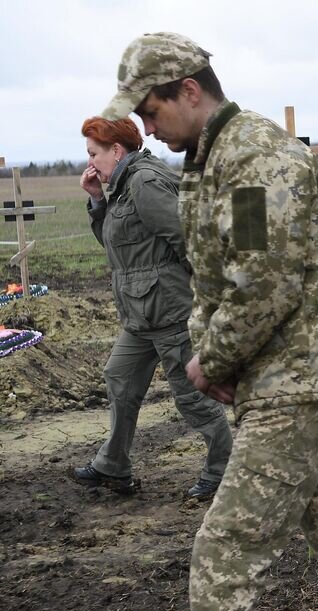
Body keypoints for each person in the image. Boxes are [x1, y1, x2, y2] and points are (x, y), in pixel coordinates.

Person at [100, 32, 318, 611]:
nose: (146, 128)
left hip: (294, 381)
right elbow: (216, 275)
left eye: (150, 111)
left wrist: (211, 360)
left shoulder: (253, 160)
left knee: (226, 548)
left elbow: (262, 281)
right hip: (283, 377)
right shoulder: (211, 159)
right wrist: (218, 353)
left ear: (188, 91)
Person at [70, 116, 232, 499]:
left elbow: (187, 240)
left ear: (116, 150)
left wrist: (203, 299)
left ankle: (224, 471)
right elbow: (118, 248)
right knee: (119, 377)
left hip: (170, 310)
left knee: (192, 396)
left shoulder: (144, 182)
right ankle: (113, 466)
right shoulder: (122, 186)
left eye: (94, 154)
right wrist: (97, 200)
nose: (90, 163)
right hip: (141, 315)